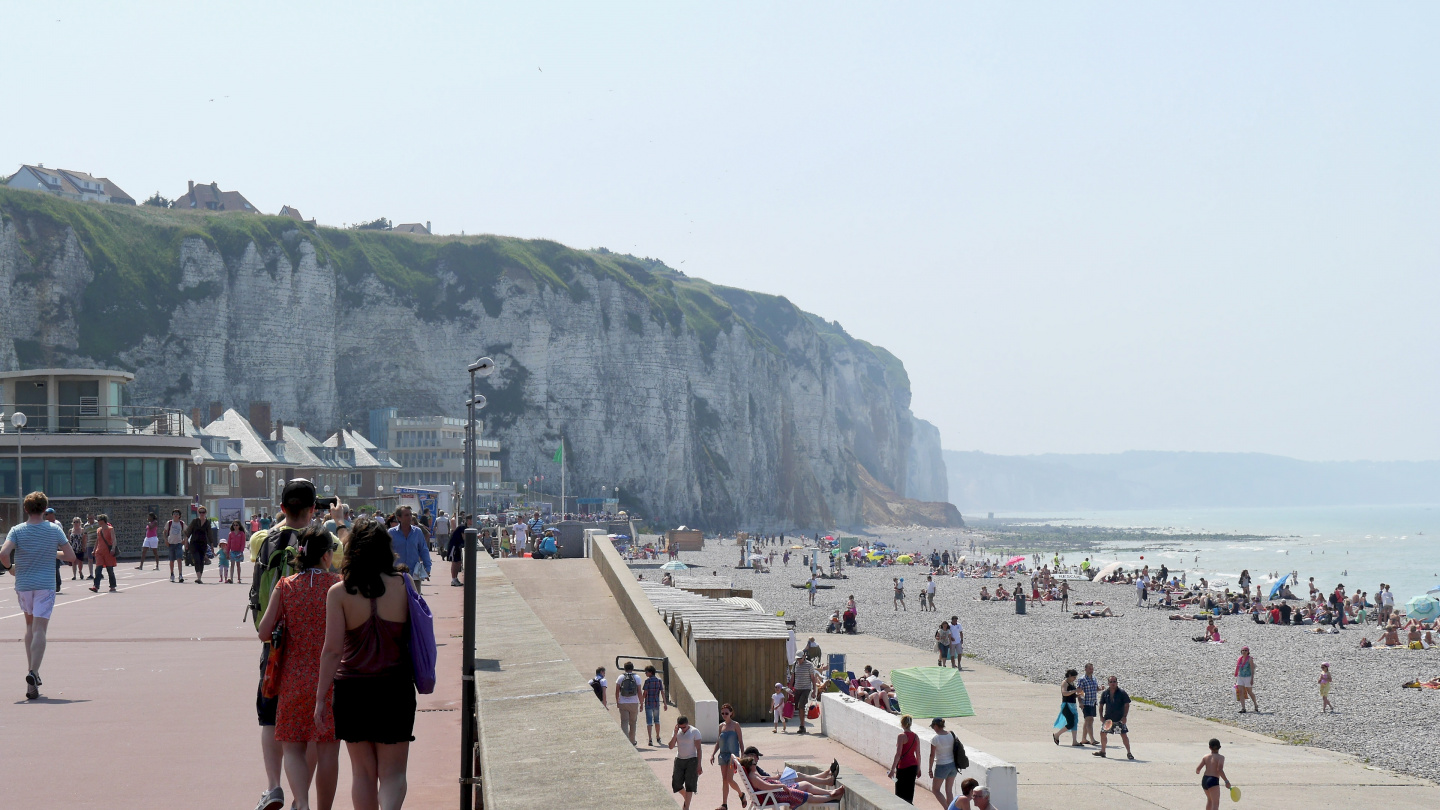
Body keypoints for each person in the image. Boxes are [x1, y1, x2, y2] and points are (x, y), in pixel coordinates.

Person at [315, 518, 416, 810]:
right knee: (394, 773)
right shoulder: (404, 584)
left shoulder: (339, 592)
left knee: (362, 774)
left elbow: (332, 650)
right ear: (386, 549)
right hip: (394, 687)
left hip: (352, 690)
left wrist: (321, 698)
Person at [251, 479, 323, 810]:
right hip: (311, 649)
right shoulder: (325, 542)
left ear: (281, 508)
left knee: (269, 717)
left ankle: (272, 786)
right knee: (307, 725)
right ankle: (301, 796)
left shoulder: (263, 542)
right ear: (312, 509)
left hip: (274, 646)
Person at [257, 528, 342, 810]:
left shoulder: (286, 585)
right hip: (330, 679)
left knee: (293, 745)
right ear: (327, 555)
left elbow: (264, 630)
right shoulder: (338, 584)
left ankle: (301, 803)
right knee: (328, 748)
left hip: (292, 678)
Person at [0, 491, 76, 700]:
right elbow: (70, 556)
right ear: (45, 509)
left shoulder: (17, 530)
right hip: (45, 585)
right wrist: (52, 551)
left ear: (26, 509)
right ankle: (33, 671)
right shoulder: (54, 530)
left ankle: (32, 677)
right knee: (40, 629)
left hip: (24, 584)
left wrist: (10, 568)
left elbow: (4, 554)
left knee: (29, 627)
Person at [738, 755, 844, 805]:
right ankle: (829, 785)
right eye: (754, 763)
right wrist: (781, 785)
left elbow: (765, 780)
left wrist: (775, 778)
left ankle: (827, 780)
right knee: (800, 779)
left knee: (799, 777)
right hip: (777, 792)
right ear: (749, 765)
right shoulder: (753, 776)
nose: (756, 762)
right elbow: (766, 786)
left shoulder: (753, 774)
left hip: (777, 789)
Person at [387, 506, 431, 594]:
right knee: (398, 602)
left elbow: (423, 549)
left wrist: (428, 567)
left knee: (415, 601)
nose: (410, 517)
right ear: (399, 518)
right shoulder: (391, 533)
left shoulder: (417, 532)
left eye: (410, 514)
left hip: (414, 573)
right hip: (397, 574)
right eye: (406, 515)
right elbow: (386, 552)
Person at [710, 703, 745, 810]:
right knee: (724, 780)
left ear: (731, 713)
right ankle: (724, 804)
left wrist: (742, 755)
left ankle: (741, 794)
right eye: (722, 713)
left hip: (733, 756)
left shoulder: (736, 725)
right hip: (722, 755)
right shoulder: (721, 726)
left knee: (730, 779)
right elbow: (718, 741)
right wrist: (713, 754)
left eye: (726, 713)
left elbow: (740, 741)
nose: (724, 715)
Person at [668, 715, 704, 810]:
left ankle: (686, 807)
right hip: (679, 759)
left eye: (684, 727)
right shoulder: (677, 731)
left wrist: (699, 765)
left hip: (692, 759)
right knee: (676, 783)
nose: (682, 729)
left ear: (688, 724)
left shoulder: (694, 731)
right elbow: (671, 746)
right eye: (680, 727)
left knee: (690, 784)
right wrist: (675, 733)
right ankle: (687, 799)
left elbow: (699, 749)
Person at [1094, 675, 1133, 759]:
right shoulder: (1105, 693)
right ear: (1108, 683)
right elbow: (1101, 705)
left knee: (1123, 735)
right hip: (1108, 719)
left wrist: (1125, 716)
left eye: (1114, 681)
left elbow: (1127, 704)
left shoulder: (1122, 693)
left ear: (1117, 682)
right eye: (1111, 682)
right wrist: (1101, 716)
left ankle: (1129, 752)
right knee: (1103, 733)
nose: (1113, 683)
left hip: (1119, 719)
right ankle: (1103, 751)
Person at [888, 714, 921, 802]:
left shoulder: (901, 736)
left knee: (900, 792)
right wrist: (918, 768)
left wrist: (892, 770)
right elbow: (918, 754)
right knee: (910, 792)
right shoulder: (916, 736)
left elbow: (898, 754)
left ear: (902, 724)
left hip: (903, 767)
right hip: (913, 766)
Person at [929, 717, 959, 809]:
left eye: (933, 726)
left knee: (935, 790)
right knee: (949, 791)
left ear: (936, 726)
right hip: (953, 765)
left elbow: (932, 755)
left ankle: (947, 808)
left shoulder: (935, 738)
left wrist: (930, 769)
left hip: (942, 766)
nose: (933, 728)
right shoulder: (951, 734)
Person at [790, 651, 821, 734]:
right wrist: (790, 688)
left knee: (801, 705)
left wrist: (814, 690)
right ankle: (802, 724)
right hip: (797, 688)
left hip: (806, 688)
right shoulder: (795, 664)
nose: (798, 660)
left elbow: (813, 678)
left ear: (804, 657)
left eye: (800, 658)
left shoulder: (809, 665)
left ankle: (802, 725)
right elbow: (793, 677)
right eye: (797, 658)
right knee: (798, 707)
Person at [1196, 738, 1231, 810]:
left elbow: (1198, 769)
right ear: (1220, 747)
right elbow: (1219, 770)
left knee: (1210, 800)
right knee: (1215, 803)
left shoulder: (1205, 757)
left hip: (1205, 780)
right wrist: (1226, 781)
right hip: (1213, 780)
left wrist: (1198, 772)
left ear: (1209, 747)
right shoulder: (1221, 758)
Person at [88, 514, 118, 593]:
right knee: (98, 569)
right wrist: (94, 550)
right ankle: (96, 586)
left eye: (98, 520)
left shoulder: (110, 529)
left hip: (108, 552)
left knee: (110, 570)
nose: (97, 522)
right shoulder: (98, 530)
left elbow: (114, 539)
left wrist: (113, 548)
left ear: (103, 521)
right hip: (99, 552)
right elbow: (97, 541)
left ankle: (112, 586)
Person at [615, 661, 643, 745]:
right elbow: (639, 692)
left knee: (624, 722)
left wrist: (618, 701)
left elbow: (616, 691)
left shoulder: (620, 677)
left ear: (624, 668)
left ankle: (625, 742)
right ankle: (632, 741)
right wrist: (641, 703)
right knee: (633, 722)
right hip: (634, 703)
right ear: (632, 668)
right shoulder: (637, 677)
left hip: (623, 702)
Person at [1052, 668, 1080, 746]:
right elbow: (1064, 693)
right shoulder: (1065, 682)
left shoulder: (1072, 683)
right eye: (1074, 677)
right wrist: (1074, 691)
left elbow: (1072, 695)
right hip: (1067, 705)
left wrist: (1078, 694)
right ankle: (1057, 735)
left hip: (1073, 705)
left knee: (1074, 722)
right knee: (1071, 723)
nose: (1074, 679)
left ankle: (1074, 741)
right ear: (1070, 675)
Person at [642, 665, 667, 745]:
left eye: (646, 672)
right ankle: (658, 736)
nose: (645, 673)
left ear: (650, 672)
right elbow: (662, 693)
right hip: (656, 703)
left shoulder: (647, 681)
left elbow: (645, 693)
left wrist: (641, 703)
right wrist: (665, 703)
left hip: (648, 703)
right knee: (657, 720)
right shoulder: (659, 681)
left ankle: (650, 739)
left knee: (649, 722)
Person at [1077, 663, 1100, 745]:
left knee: (1087, 721)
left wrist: (1101, 688)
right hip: (1085, 702)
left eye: (1092, 668)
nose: (1091, 670)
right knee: (1089, 720)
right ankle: (1092, 739)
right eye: (1090, 669)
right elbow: (1079, 691)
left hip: (1093, 702)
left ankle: (1084, 738)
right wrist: (1080, 702)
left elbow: (1096, 689)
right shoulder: (1082, 679)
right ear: (1085, 669)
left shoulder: (1094, 679)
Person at [189, 507, 213, 583]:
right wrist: (186, 541)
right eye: (200, 512)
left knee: (201, 560)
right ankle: (198, 577)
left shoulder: (207, 523)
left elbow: (209, 534)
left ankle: (200, 577)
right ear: (198, 513)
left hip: (203, 543)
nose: (202, 514)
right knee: (196, 559)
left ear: (206, 513)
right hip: (194, 543)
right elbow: (188, 532)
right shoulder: (194, 521)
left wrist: (212, 544)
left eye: (203, 512)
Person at [1234, 647, 1259, 713]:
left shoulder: (1250, 659)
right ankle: (1243, 708)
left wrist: (1252, 678)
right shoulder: (1239, 659)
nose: (1244, 652)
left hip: (1248, 677)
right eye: (1243, 650)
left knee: (1249, 692)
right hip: (1240, 676)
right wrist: (1236, 677)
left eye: (1245, 650)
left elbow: (1252, 669)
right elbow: (1238, 668)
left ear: (1248, 652)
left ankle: (1255, 704)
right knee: (1241, 692)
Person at [165, 509, 187, 582]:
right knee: (171, 560)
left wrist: (184, 540)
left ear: (179, 516)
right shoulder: (169, 523)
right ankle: (172, 574)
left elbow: (186, 532)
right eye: (174, 513)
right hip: (171, 543)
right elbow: (164, 532)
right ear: (172, 515)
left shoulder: (181, 523)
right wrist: (166, 540)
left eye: (177, 514)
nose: (175, 515)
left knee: (179, 559)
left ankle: (180, 575)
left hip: (178, 543)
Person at [447, 515, 468, 587]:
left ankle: (456, 578)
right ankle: (453, 579)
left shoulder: (465, 527)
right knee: (454, 562)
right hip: (454, 546)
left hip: (458, 546)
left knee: (459, 562)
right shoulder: (463, 527)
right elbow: (464, 537)